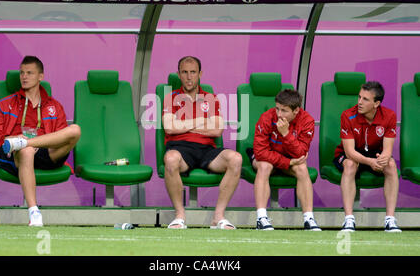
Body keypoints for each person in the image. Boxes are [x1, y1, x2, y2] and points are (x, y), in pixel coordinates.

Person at [0, 56, 81, 227]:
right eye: (22, 72)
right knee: (26, 151)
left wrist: (32, 142)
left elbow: (60, 138)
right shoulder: (5, 104)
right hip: (12, 151)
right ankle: (34, 212)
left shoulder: (54, 106)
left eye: (30, 73)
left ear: (40, 77)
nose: (24, 76)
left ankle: (29, 143)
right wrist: (11, 139)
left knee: (75, 130)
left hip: (44, 151)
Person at [162, 56, 242, 230]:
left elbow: (217, 130)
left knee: (235, 159)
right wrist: (201, 121)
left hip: (207, 149)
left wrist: (183, 125)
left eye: (193, 72)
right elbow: (169, 128)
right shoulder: (170, 98)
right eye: (184, 72)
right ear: (179, 74)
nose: (189, 77)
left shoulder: (211, 98)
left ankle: (218, 217)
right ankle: (180, 216)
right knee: (170, 159)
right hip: (180, 149)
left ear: (200, 74)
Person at [247, 89, 321, 231]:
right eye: (277, 109)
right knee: (264, 166)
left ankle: (309, 219)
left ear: (296, 110)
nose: (279, 114)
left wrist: (286, 134)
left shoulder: (307, 121)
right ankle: (261, 219)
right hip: (268, 157)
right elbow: (261, 152)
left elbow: (300, 153)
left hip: (290, 158)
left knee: (302, 168)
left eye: (284, 111)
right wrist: (287, 162)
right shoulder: (267, 117)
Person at [333, 81, 401, 232]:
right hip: (349, 154)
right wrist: (370, 162)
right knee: (350, 165)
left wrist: (382, 159)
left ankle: (390, 220)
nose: (359, 102)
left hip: (374, 154)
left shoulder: (389, 116)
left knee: (390, 165)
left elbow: (388, 149)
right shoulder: (347, 115)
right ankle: (349, 220)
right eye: (359, 97)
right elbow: (349, 152)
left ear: (376, 103)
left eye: (365, 99)